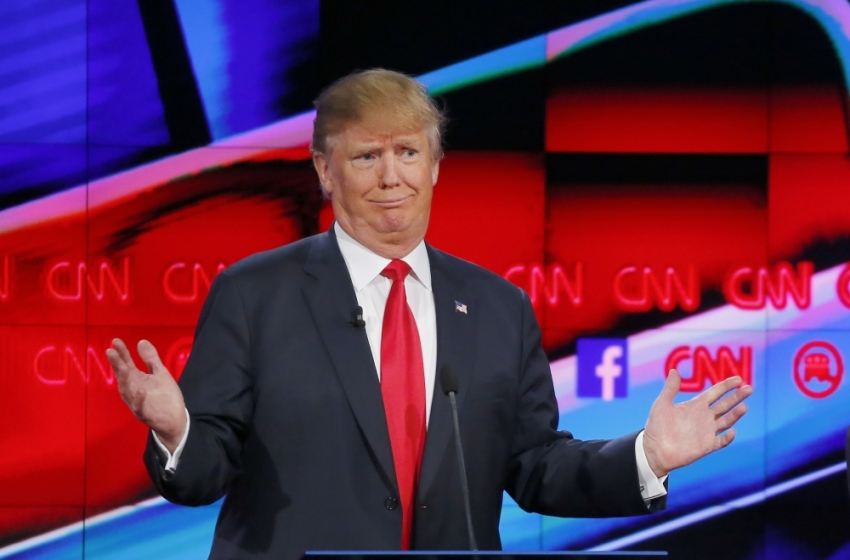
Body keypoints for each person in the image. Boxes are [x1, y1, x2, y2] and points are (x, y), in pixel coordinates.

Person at [106, 69, 752, 560]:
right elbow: (202, 473)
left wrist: (647, 457)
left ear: (437, 166)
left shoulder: (499, 308)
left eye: (409, 153)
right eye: (366, 156)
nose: (392, 177)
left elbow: (534, 467)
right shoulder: (255, 295)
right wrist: (176, 430)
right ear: (324, 172)